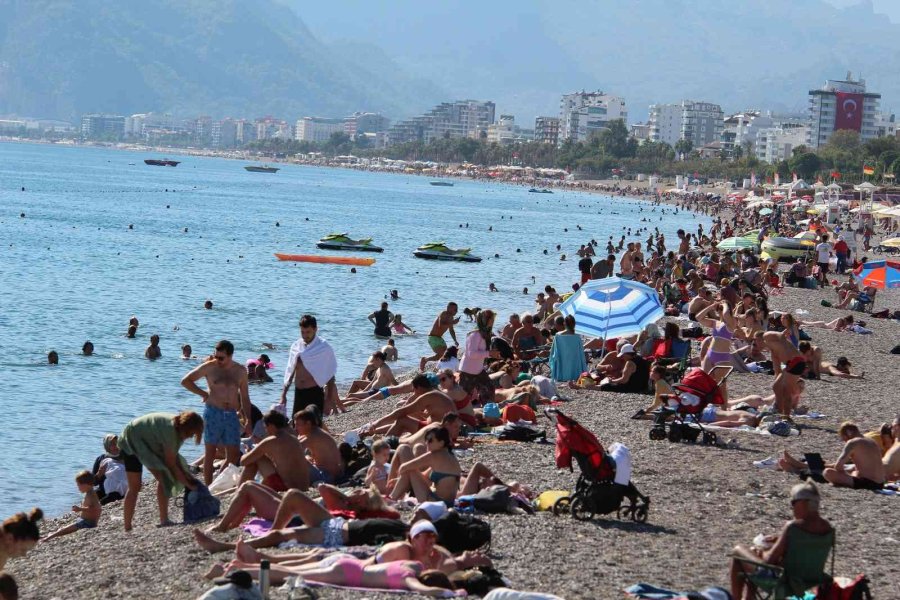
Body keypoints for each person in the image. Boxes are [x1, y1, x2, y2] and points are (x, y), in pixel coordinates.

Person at [729, 482, 832, 600]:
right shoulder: (827, 528)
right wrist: (781, 540)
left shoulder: (793, 527)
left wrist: (762, 551)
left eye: (794, 503)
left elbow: (769, 561)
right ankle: (749, 597)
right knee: (753, 554)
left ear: (804, 503)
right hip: (811, 579)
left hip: (784, 581)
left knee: (738, 551)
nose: (792, 507)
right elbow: (806, 547)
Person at [181, 340, 252, 486]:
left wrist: (248, 419)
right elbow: (186, 381)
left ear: (230, 355)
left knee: (233, 454)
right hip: (213, 412)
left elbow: (245, 397)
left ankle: (218, 482)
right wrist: (203, 394)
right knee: (210, 452)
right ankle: (208, 488)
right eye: (215, 356)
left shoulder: (240, 371)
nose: (217, 360)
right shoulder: (210, 366)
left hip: (231, 414)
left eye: (221, 358)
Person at [118, 411, 204, 531]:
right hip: (131, 440)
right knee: (137, 486)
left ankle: (164, 519)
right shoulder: (171, 432)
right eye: (191, 433)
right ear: (185, 428)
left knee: (165, 476)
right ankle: (128, 527)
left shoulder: (177, 428)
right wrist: (188, 484)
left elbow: (174, 459)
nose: (190, 437)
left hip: (148, 441)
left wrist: (187, 477)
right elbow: (171, 464)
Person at [237, 410, 313, 492]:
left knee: (255, 459)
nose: (265, 431)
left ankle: (240, 491)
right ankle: (248, 489)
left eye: (265, 427)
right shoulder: (293, 439)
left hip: (286, 488)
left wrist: (248, 452)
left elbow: (243, 462)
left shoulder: (271, 441)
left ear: (271, 426)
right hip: (304, 487)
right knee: (258, 457)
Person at [282, 315, 338, 418]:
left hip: (314, 392)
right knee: (297, 426)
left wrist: (329, 400)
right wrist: (283, 395)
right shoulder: (296, 346)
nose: (305, 335)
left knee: (313, 428)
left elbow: (330, 375)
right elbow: (290, 371)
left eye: (308, 332)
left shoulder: (323, 347)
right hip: (298, 392)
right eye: (302, 332)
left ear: (315, 329)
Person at [364, 375, 456, 437]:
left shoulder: (428, 396)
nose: (414, 393)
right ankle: (378, 434)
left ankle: (385, 445)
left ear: (418, 388)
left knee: (402, 420)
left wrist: (376, 423)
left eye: (414, 390)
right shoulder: (436, 393)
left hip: (441, 433)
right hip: (446, 429)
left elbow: (400, 412)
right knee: (406, 420)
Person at [390, 427, 461, 507]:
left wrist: (402, 478)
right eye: (426, 439)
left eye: (430, 440)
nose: (427, 443)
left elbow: (403, 467)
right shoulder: (450, 456)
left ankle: (391, 498)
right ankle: (391, 497)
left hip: (434, 502)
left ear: (441, 443)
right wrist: (402, 479)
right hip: (447, 503)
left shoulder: (434, 455)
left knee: (403, 449)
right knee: (410, 469)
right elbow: (424, 477)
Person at [822, 422, 886, 490]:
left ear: (848, 433)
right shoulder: (872, 441)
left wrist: (843, 475)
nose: (845, 442)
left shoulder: (853, 442)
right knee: (854, 472)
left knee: (827, 472)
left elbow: (838, 466)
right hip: (880, 484)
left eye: (844, 439)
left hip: (868, 484)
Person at [42, 471, 101, 541]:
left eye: (79, 485)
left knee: (65, 529)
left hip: (88, 523)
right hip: (84, 521)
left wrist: (80, 509)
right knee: (64, 529)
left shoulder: (91, 495)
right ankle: (50, 535)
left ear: (86, 484)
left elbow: (96, 508)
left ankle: (48, 538)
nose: (78, 488)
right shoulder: (89, 493)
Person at [293, 408, 343, 484]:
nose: (295, 428)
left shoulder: (313, 436)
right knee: (306, 457)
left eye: (298, 425)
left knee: (296, 459)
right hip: (332, 473)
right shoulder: (316, 431)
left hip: (326, 476)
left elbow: (293, 451)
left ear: (308, 423)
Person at [459, 310, 498, 404]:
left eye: (493, 318)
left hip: (478, 370)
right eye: (491, 318)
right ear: (485, 320)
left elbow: (482, 352)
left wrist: (492, 353)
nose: (493, 320)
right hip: (468, 371)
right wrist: (489, 353)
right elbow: (471, 354)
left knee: (489, 388)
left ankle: (488, 411)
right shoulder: (475, 334)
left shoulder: (485, 334)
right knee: (463, 397)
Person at [420, 303, 460, 371]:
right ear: (448, 308)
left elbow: (451, 330)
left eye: (457, 310)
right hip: (433, 337)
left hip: (439, 338)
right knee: (443, 354)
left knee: (442, 356)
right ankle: (435, 368)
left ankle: (426, 360)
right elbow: (440, 324)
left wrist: (455, 340)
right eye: (455, 309)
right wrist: (452, 322)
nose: (456, 311)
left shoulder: (451, 318)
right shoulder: (444, 313)